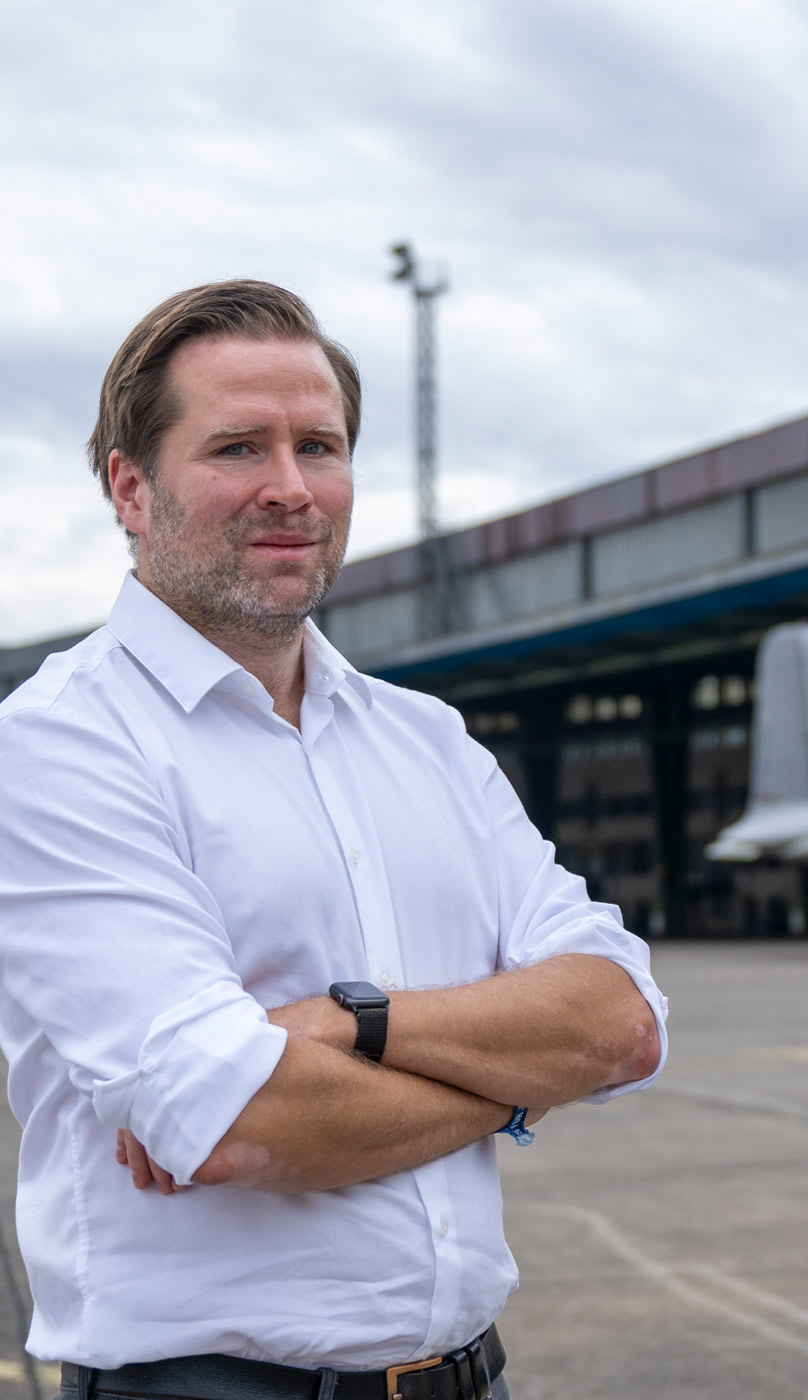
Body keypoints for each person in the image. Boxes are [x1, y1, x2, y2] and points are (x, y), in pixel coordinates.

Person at [0, 281, 667, 1400]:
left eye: (320, 445)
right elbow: (244, 1121)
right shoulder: (55, 747)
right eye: (236, 448)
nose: (291, 488)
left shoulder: (428, 740)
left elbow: (621, 1019)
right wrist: (512, 1087)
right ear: (131, 485)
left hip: (470, 1377)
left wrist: (347, 1022)